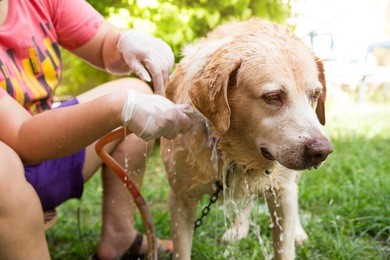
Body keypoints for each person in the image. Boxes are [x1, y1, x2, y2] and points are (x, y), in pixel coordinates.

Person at [0, 0, 193, 259]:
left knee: (136, 91)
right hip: (8, 177)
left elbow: (104, 44)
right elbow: (22, 137)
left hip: (42, 156)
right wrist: (118, 107)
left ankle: (119, 239)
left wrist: (126, 42)